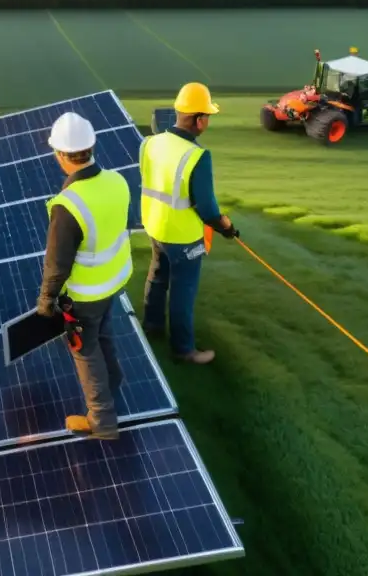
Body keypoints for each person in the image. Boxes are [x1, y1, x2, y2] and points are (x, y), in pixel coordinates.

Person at [36, 112, 134, 439]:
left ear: (61, 155)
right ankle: (114, 383)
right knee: (103, 335)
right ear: (91, 147)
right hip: (115, 282)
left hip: (85, 295)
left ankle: (102, 421)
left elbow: (57, 264)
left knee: (84, 350)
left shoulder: (69, 204)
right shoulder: (117, 181)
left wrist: (47, 301)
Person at [140, 83, 237, 365]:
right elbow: (207, 208)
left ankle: (152, 327)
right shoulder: (197, 156)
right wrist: (226, 227)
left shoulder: (150, 143)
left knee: (157, 277)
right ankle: (183, 350)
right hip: (183, 237)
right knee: (183, 291)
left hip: (155, 226)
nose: (207, 122)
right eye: (207, 116)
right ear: (198, 119)